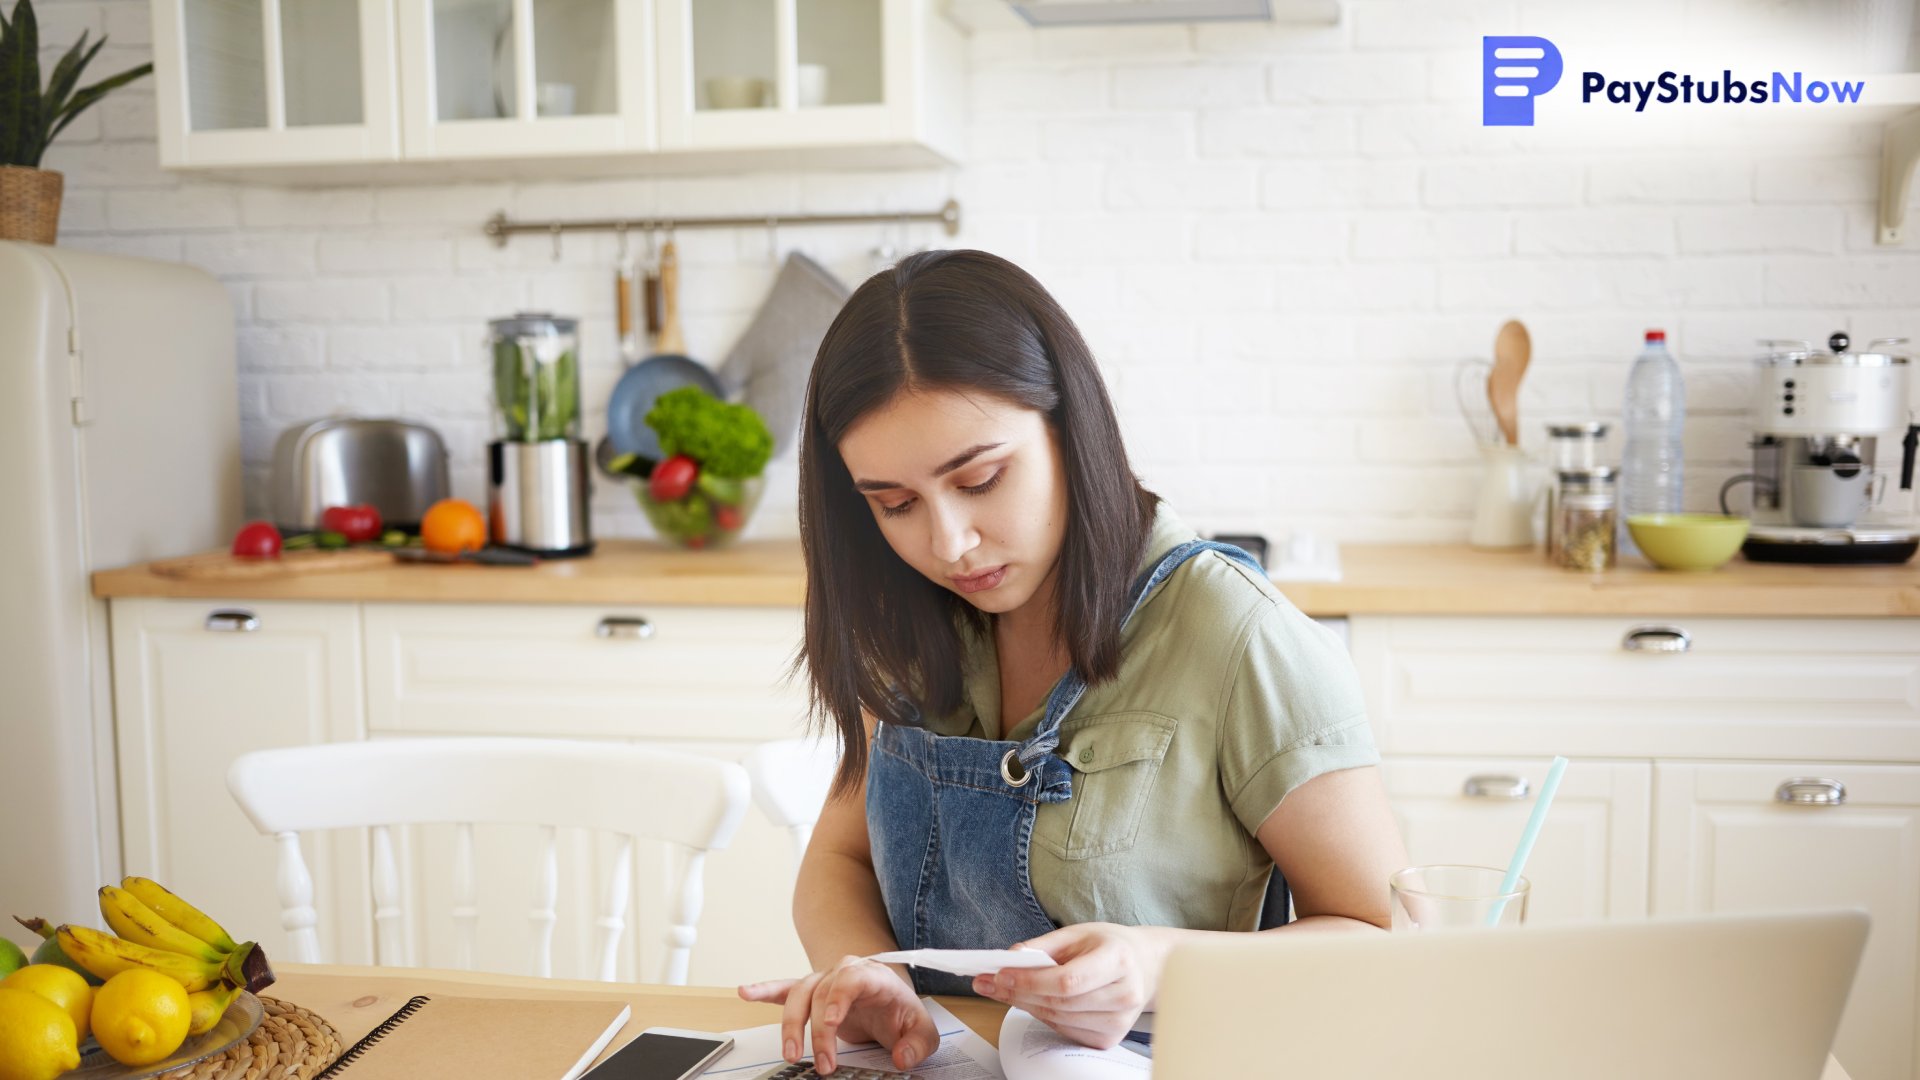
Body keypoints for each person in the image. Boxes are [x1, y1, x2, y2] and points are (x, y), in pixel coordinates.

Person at [738, 250, 1408, 1074]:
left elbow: (1386, 940)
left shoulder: (1237, 634)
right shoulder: (906, 620)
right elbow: (838, 860)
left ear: (1070, 425)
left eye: (981, 479)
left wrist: (1159, 962)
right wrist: (872, 974)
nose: (948, 544)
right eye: (896, 505)